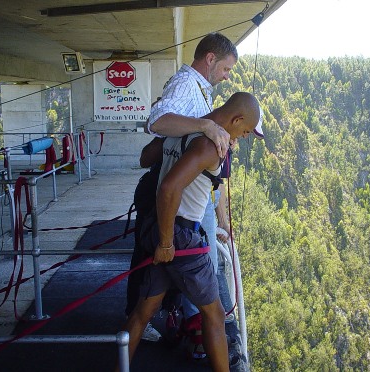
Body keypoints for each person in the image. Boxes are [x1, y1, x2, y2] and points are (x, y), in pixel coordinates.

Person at [118, 91, 262, 372]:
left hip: (164, 229)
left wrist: (163, 239)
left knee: (142, 313)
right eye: (244, 131)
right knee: (216, 316)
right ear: (236, 119)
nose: (242, 137)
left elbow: (147, 158)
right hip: (181, 237)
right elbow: (169, 188)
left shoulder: (183, 128)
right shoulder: (208, 145)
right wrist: (166, 243)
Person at [146, 32, 256, 359]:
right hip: (182, 210)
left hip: (187, 206)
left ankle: (196, 330)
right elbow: (157, 121)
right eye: (225, 69)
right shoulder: (185, 84)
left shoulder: (199, 89)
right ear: (210, 59)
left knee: (169, 284)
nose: (226, 76)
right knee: (204, 279)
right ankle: (211, 340)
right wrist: (206, 126)